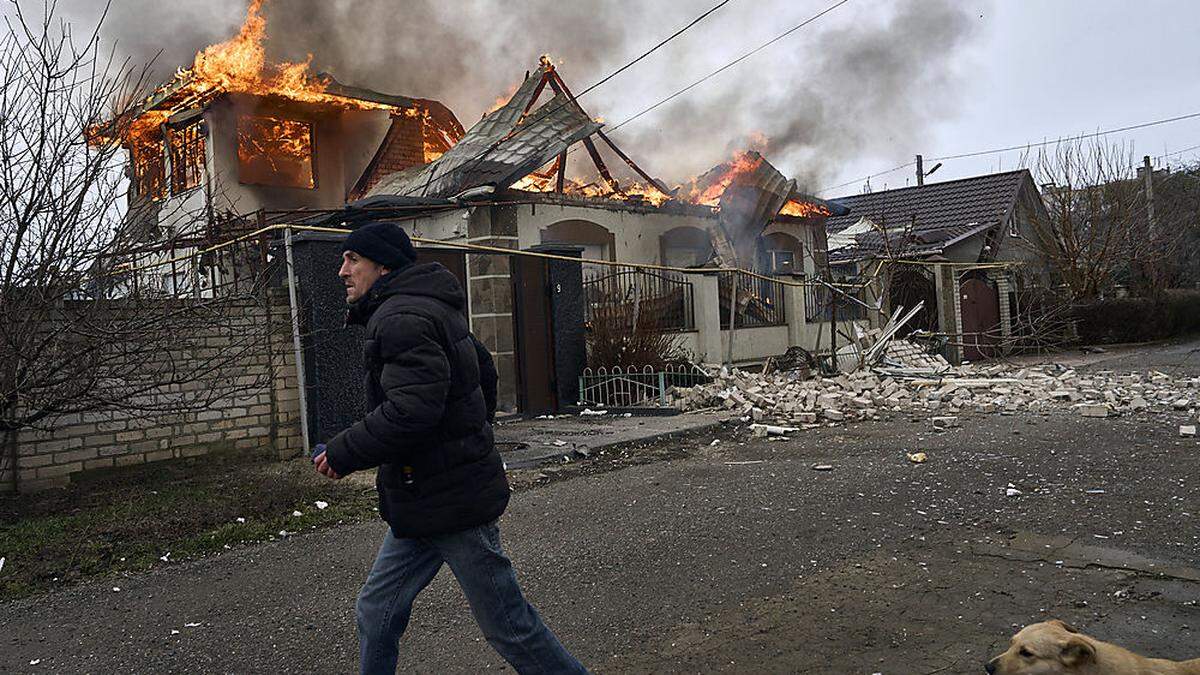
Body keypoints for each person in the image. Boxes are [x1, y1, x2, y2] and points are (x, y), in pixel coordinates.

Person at [311, 221, 586, 675]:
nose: (342, 270)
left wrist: (344, 451)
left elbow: (410, 411)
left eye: (352, 259)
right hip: (422, 497)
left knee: (510, 628)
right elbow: (484, 375)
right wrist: (470, 434)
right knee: (376, 613)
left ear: (383, 267)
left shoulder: (402, 318)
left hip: (452, 500)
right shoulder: (428, 307)